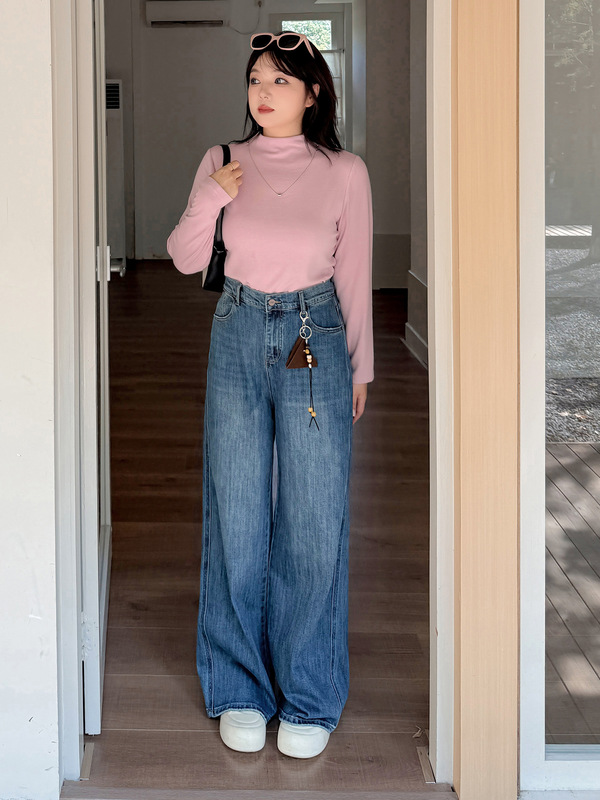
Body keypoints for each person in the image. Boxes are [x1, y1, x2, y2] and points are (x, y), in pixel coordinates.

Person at [166, 30, 374, 760]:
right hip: (237, 329)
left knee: (313, 515)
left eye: (281, 80)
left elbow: (354, 273)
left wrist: (361, 368)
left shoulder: (344, 171)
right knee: (237, 510)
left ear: (313, 93)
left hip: (315, 332)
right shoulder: (223, 160)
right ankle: (239, 688)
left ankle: (309, 694)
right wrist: (208, 198)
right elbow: (184, 257)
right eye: (256, 78)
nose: (264, 92)